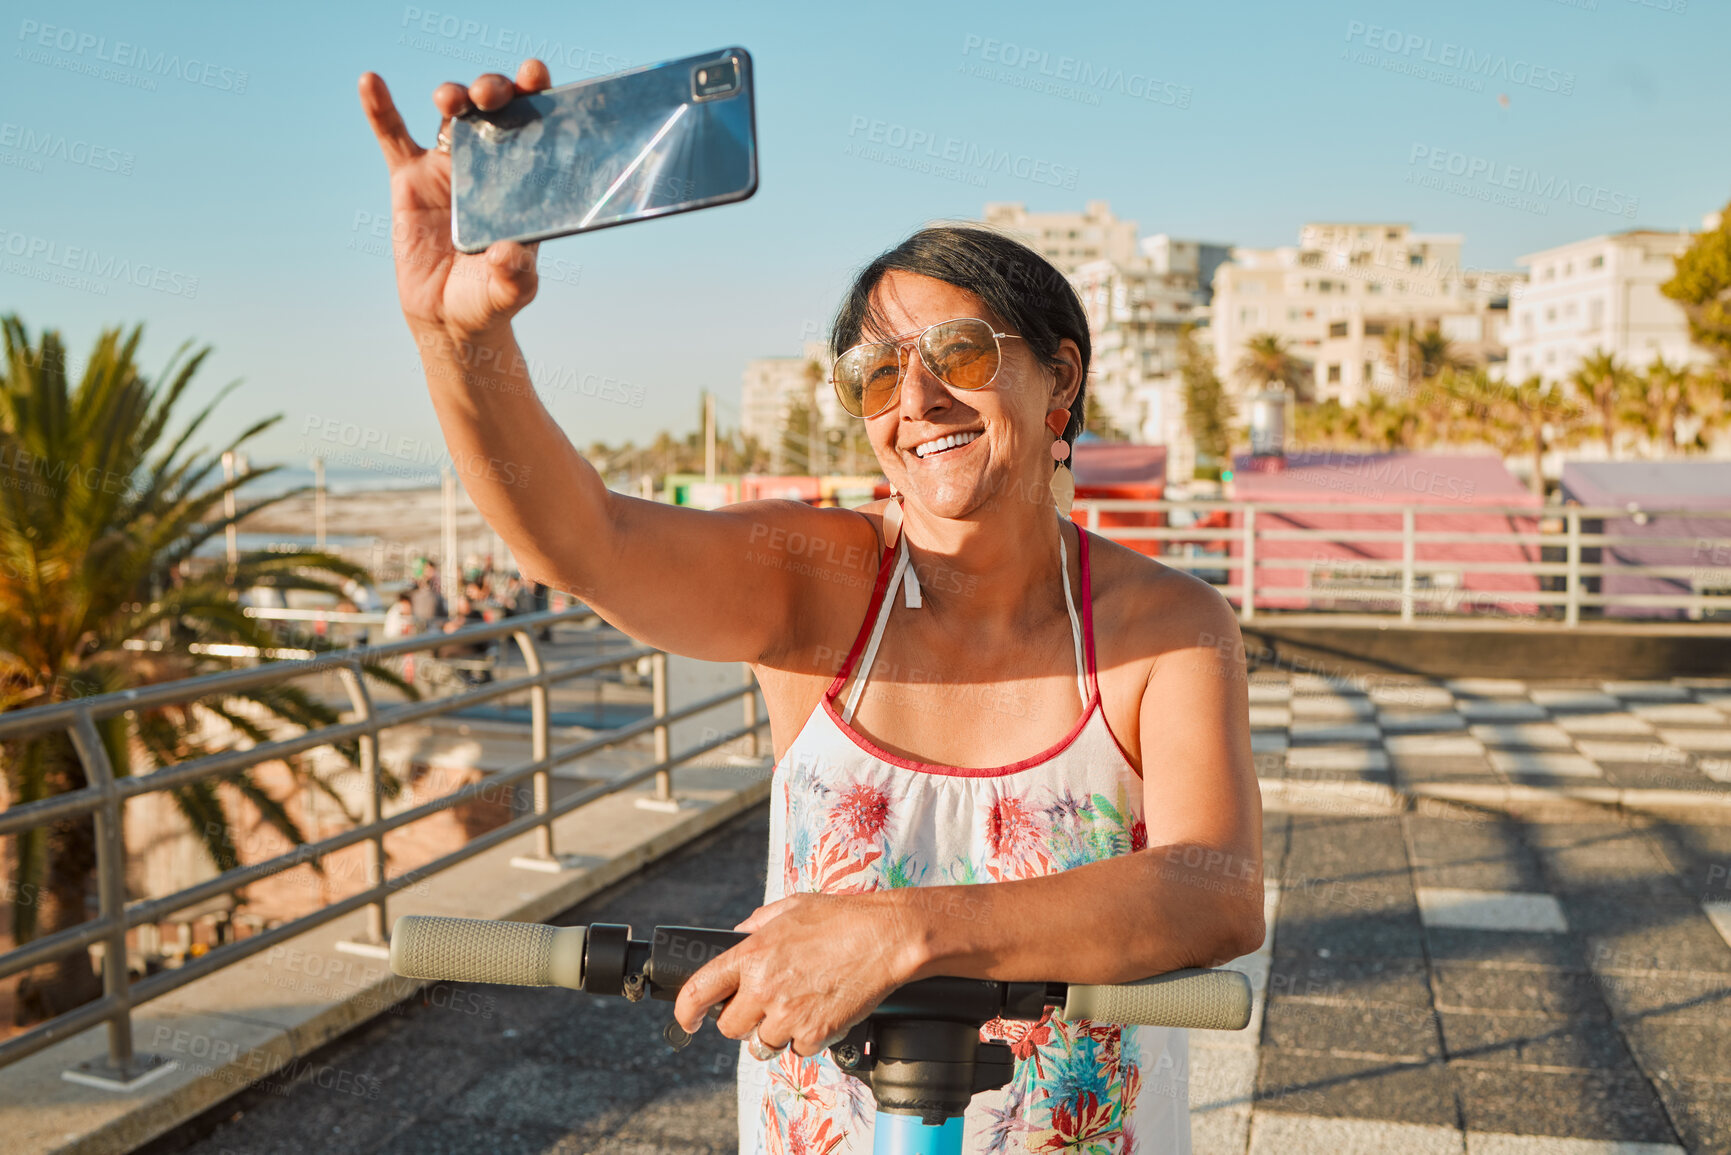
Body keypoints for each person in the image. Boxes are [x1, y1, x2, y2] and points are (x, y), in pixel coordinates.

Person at [361, 60, 1261, 1154]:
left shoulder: (1163, 627)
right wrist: (458, 338)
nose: (915, 400)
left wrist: (905, 934)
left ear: (1059, 377)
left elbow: (1213, 893)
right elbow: (582, 541)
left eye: (960, 355)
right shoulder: (822, 587)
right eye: (875, 377)